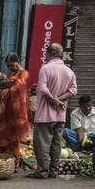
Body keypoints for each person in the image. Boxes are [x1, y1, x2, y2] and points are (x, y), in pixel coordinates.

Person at [27, 43, 76, 179]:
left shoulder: (46, 69)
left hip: (44, 114)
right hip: (60, 114)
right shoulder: (69, 71)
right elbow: (73, 90)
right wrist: (60, 100)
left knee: (42, 143)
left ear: (50, 53)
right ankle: (53, 171)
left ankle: (42, 171)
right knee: (56, 143)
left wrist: (54, 100)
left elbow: (43, 89)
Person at [0, 53, 31, 165]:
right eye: (8, 66)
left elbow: (18, 86)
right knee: (3, 135)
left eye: (11, 65)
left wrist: (9, 82)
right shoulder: (12, 75)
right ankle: (1, 160)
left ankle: (13, 162)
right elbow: (3, 87)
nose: (10, 68)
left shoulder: (24, 73)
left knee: (13, 139)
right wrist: (4, 81)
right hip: (7, 111)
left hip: (17, 113)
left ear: (17, 62)